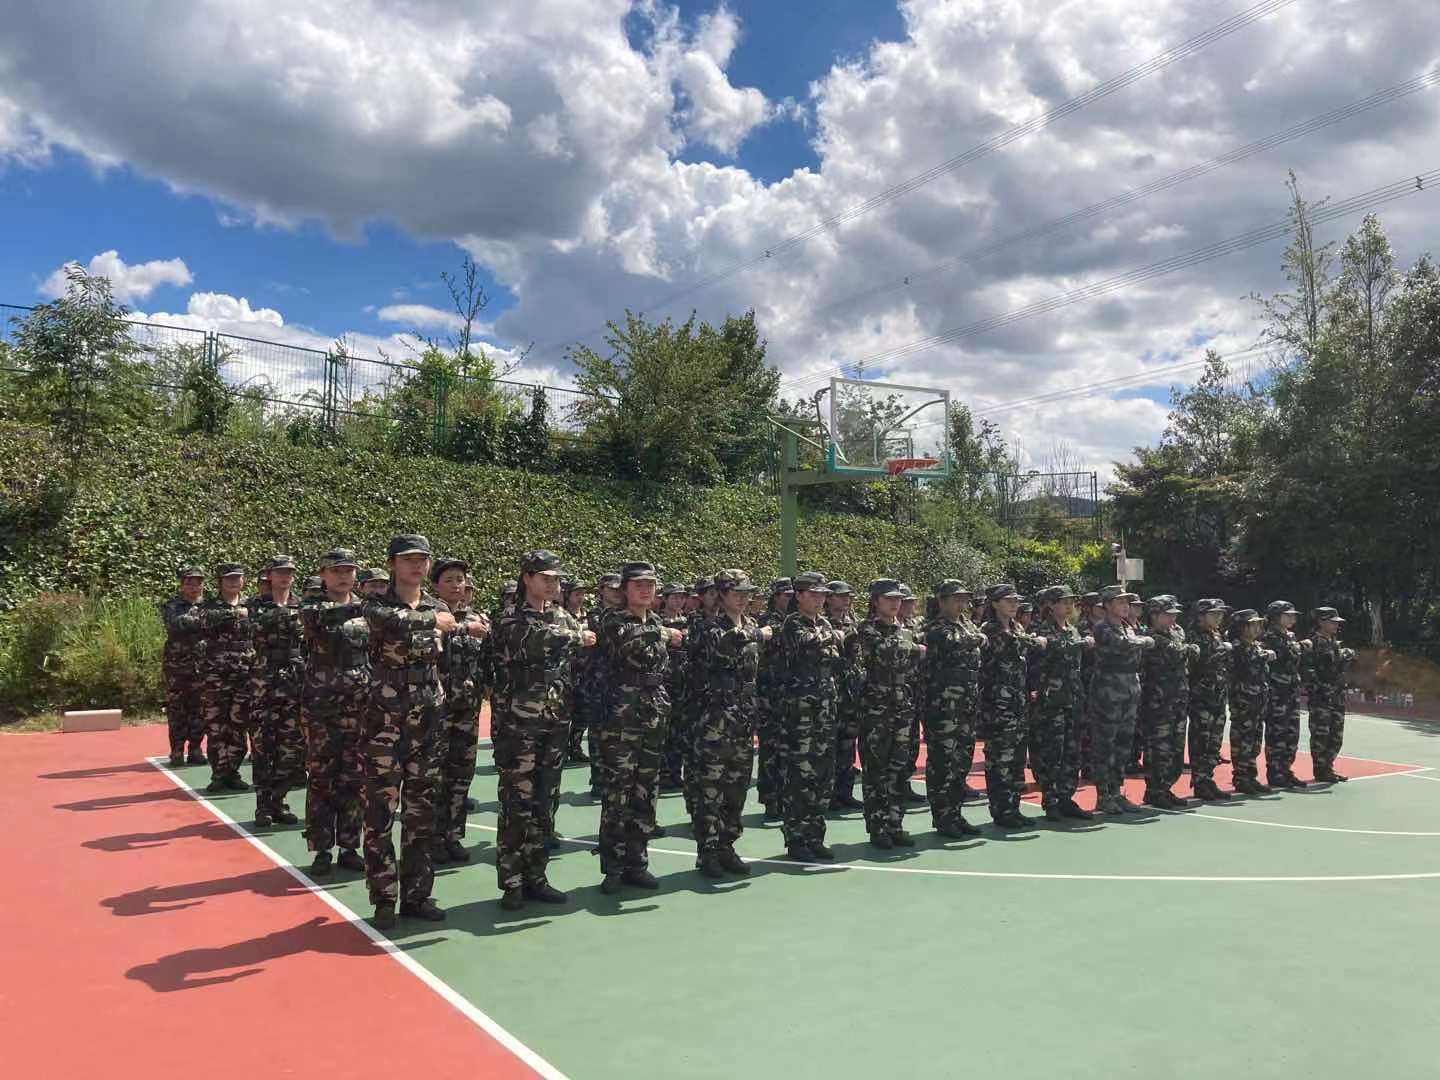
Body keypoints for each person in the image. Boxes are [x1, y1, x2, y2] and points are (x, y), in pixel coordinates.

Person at [363, 534, 458, 929]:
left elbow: (445, 661)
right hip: (385, 722)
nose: (416, 566)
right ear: (392, 564)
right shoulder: (377, 604)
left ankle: (417, 895)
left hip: (427, 723)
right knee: (381, 812)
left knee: (422, 813)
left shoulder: (438, 607)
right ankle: (384, 898)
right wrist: (433, 621)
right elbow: (390, 623)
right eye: (408, 559)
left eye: (422, 560)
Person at [492, 551, 595, 909]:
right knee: (516, 801)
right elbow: (536, 640)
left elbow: (576, 638)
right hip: (518, 721)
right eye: (545, 578)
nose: (553, 584)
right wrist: (575, 635)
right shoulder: (509, 616)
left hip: (555, 717)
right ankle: (512, 882)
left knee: (545, 800)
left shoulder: (560, 614)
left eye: (556, 579)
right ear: (527, 578)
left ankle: (536, 875)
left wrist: (573, 634)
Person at [596, 561, 681, 893]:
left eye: (650, 585)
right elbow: (625, 641)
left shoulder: (655, 621)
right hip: (621, 716)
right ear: (624, 589)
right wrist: (662, 633)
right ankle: (613, 867)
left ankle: (637, 862)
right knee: (618, 792)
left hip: (652, 712)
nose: (646, 590)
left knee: (646, 790)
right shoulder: (613, 620)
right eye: (638, 585)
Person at [693, 570, 771, 877]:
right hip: (716, 717)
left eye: (746, 593)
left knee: (737, 786)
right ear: (722, 594)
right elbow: (721, 645)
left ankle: (727, 846)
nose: (743, 598)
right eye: (736, 592)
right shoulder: (710, 626)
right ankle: (708, 851)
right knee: (711, 786)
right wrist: (758, 635)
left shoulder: (750, 624)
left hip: (743, 716)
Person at [300, 548, 369, 876]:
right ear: (323, 575)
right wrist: (370, 608)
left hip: (359, 705)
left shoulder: (366, 611)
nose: (343, 576)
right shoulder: (312, 607)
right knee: (322, 778)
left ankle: (349, 846)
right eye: (336, 570)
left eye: (348, 570)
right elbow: (321, 620)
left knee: (355, 777)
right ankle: (322, 848)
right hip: (322, 707)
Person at [851, 578, 925, 849]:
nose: (895, 603)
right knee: (876, 771)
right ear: (875, 601)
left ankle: (895, 823)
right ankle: (878, 826)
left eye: (898, 599)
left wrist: (911, 649)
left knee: (899, 769)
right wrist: (915, 649)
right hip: (876, 710)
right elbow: (886, 652)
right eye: (889, 599)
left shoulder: (904, 629)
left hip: (902, 708)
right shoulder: (866, 630)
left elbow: (910, 658)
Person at [431, 557, 490, 865]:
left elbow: (487, 658)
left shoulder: (478, 617)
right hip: (436, 710)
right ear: (435, 585)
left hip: (467, 708)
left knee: (461, 775)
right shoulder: (428, 614)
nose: (456, 585)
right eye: (449, 580)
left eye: (460, 580)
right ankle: (433, 838)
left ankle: (453, 835)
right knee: (435, 777)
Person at [780, 572, 842, 861]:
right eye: (814, 594)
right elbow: (809, 643)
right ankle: (796, 837)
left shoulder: (824, 623)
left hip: (826, 706)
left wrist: (828, 639)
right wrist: (830, 639)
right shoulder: (792, 623)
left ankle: (815, 835)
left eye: (822, 595)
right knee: (800, 773)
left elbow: (835, 652)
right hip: (801, 709)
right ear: (799, 595)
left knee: (823, 773)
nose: (819, 599)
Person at [922, 580, 988, 836]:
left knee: (962, 761)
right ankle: (942, 817)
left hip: (967, 703)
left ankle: (956, 813)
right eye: (956, 599)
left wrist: (975, 638)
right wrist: (976, 639)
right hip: (944, 705)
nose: (961, 604)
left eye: (964, 599)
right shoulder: (935, 627)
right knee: (943, 763)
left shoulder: (965, 624)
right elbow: (959, 642)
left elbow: (980, 641)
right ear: (942, 601)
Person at [247, 556, 306, 827]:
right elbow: (255, 627)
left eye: (289, 572)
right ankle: (263, 805)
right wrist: (285, 615)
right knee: (263, 745)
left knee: (292, 746)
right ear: (269, 576)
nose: (285, 577)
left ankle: (279, 800)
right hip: (265, 681)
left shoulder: (302, 605)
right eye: (279, 572)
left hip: (294, 680)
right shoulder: (256, 605)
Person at [979, 583, 1044, 827]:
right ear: (995, 603)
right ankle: (1001, 810)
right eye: (1008, 600)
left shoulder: (1016, 626)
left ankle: (1013, 807)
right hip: (998, 704)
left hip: (1018, 701)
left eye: (1016, 600)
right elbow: (1021, 644)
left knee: (1016, 758)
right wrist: (1035, 641)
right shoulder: (991, 629)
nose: (1014, 605)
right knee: (1000, 759)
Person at [1029, 585, 1092, 821]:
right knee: (1052, 752)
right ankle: (1051, 800)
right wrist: (1082, 643)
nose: (1069, 606)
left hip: (1073, 697)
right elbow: (1051, 652)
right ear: (1051, 605)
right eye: (1063, 602)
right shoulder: (1041, 631)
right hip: (1052, 700)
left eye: (1071, 602)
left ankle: (1066, 797)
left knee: (1072, 752)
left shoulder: (1073, 630)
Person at [1088, 585, 1152, 814]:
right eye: (1120, 602)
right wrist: (1145, 640)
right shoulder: (1102, 627)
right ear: (1107, 605)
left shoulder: (1127, 627)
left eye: (1127, 602)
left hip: (1129, 688)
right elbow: (1123, 644)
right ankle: (1103, 795)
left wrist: (1140, 639)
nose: (1125, 606)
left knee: (1124, 745)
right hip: (1108, 691)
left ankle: (1116, 791)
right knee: (1106, 744)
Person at [199, 562, 256, 795]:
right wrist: (234, 614)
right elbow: (203, 622)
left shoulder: (252, 605)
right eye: (228, 578)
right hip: (217, 675)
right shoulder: (209, 606)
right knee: (216, 725)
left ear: (243, 581)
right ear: (220, 582)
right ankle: (219, 773)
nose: (233, 582)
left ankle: (232, 771)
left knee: (238, 724)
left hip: (244, 674)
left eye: (237, 578)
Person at [1139, 595, 1196, 809]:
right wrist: (1186, 648)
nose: (1173, 618)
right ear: (1155, 615)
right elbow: (1178, 652)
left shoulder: (1176, 634)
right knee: (1158, 749)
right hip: (1158, 703)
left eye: (1175, 614)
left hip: (1178, 700)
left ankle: (1165, 788)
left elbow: (1189, 653)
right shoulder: (1149, 638)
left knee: (1176, 750)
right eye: (1168, 614)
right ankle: (1154, 791)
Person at [1186, 599, 1233, 801]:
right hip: (1202, 697)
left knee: (1214, 741)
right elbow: (1198, 663)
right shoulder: (1193, 636)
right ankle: (1200, 781)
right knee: (1201, 740)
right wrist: (1222, 650)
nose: (1218, 617)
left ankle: (1208, 778)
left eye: (1220, 614)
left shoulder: (1217, 634)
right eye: (1214, 614)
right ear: (1201, 616)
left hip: (1218, 695)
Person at [824, 580, 865, 811]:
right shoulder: (823, 623)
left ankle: (845, 791)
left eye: (848, 596)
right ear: (829, 598)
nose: (846, 600)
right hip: (831, 690)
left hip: (850, 690)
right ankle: (829, 794)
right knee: (830, 744)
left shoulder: (853, 621)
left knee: (848, 744)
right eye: (841, 596)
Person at [161, 565, 207, 767]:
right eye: (189, 583)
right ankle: (177, 750)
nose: (194, 587)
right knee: (177, 709)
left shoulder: (209, 605)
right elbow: (175, 625)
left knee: (200, 709)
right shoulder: (172, 605)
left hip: (202, 665)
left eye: (198, 583)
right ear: (182, 585)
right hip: (177, 667)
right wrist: (203, 621)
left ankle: (195, 748)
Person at [755, 578, 793, 820]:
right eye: (786, 595)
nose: (790, 599)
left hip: (790, 692)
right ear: (776, 596)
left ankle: (785, 796)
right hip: (770, 692)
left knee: (788, 747)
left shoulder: (794, 620)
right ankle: (770, 798)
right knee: (771, 747)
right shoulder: (768, 621)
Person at [1304, 607, 1355, 783]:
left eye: (1336, 622)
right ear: (1321, 622)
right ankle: (1321, 769)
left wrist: (1345, 657)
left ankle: (1328, 767)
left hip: (1336, 696)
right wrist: (1319, 688)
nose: (1336, 625)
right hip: (1321, 698)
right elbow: (1309, 670)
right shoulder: (1313, 643)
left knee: (1336, 736)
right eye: (1332, 622)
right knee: (1321, 735)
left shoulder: (1334, 642)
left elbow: (1337, 669)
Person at [1262, 600, 1309, 789]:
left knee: (1292, 733)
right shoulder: (1269, 636)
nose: (1292, 618)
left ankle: (1286, 769)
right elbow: (1283, 655)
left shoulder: (1290, 636)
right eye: (1287, 615)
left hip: (1291, 691)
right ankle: (1275, 772)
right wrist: (1300, 647)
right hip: (1277, 693)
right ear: (1276, 617)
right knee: (1277, 733)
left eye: (1293, 615)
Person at [1228, 608, 1273, 796]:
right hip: (1243, 702)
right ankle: (1241, 778)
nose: (1257, 628)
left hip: (1258, 701)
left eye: (1258, 624)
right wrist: (1264, 655)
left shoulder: (1256, 646)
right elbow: (1244, 666)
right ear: (1242, 627)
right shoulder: (1236, 647)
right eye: (1253, 624)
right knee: (1242, 740)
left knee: (1254, 741)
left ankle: (1250, 776)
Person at [658, 583, 691, 793]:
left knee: (679, 729)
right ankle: (663, 773)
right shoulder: (658, 621)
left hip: (683, 681)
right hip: (665, 680)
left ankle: (675, 772)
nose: (679, 601)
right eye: (674, 597)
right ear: (665, 599)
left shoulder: (688, 621)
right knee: (664, 729)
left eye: (681, 597)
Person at [560, 577, 591, 763]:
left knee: (583, 712)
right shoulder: (562, 615)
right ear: (567, 595)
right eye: (577, 594)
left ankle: (575, 745)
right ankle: (561, 748)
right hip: (567, 671)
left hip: (586, 672)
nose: (580, 597)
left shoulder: (589, 616)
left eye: (582, 594)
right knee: (564, 712)